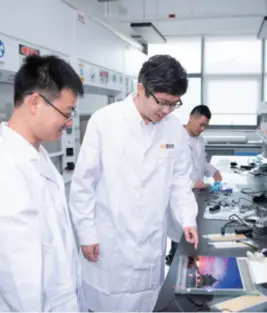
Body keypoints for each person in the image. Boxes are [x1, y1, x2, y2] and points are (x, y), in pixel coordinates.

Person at [69, 54, 199, 312]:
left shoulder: (173, 130)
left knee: (148, 304)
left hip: (150, 243)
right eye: (162, 102)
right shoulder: (105, 121)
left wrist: (187, 219)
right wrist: (86, 234)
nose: (166, 111)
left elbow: (179, 181)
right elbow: (84, 185)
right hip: (109, 240)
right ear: (141, 88)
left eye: (174, 105)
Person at [0, 55, 85, 311]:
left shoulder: (38, 154)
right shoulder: (8, 167)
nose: (69, 123)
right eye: (66, 113)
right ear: (35, 102)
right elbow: (18, 276)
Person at [166, 105, 222, 265]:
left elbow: (201, 163)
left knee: (191, 232)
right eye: (201, 124)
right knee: (181, 237)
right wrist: (191, 183)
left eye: (206, 126)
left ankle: (185, 262)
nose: (202, 129)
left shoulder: (200, 140)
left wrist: (214, 172)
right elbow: (171, 171)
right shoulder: (175, 139)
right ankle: (174, 263)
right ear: (191, 118)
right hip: (181, 196)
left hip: (196, 195)